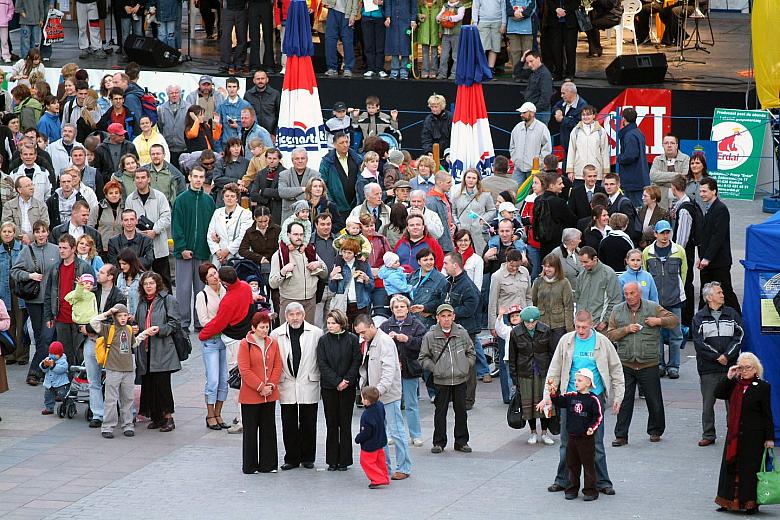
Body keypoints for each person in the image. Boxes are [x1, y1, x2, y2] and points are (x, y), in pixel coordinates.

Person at [541, 310, 624, 496]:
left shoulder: (602, 342)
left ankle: (603, 482)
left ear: (592, 325)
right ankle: (563, 480)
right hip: (570, 399)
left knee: (596, 443)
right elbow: (554, 369)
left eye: (584, 327)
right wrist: (547, 396)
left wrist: (618, 397)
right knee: (566, 442)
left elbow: (616, 370)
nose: (580, 331)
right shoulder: (566, 341)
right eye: (577, 326)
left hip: (594, 399)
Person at [606, 282, 677, 447]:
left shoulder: (652, 307)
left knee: (654, 400)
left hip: (648, 362)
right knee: (624, 400)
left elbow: (674, 320)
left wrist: (658, 321)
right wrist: (626, 330)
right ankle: (621, 435)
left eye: (632, 293)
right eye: (626, 294)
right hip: (626, 362)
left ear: (640, 293)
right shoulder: (617, 310)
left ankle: (655, 431)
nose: (629, 297)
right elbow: (609, 334)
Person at [713, 353, 774, 514]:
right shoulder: (734, 384)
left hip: (754, 435)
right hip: (733, 435)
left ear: (755, 369)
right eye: (742, 367)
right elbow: (718, 393)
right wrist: (728, 376)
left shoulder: (763, 387)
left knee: (749, 470)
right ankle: (726, 501)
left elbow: (767, 414)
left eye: (749, 367)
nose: (745, 370)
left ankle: (750, 504)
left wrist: (769, 438)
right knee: (730, 467)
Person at [353, 314, 411, 480]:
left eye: (363, 332)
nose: (361, 336)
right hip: (376, 395)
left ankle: (404, 467)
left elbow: (389, 370)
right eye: (359, 333)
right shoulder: (369, 342)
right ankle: (385, 467)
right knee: (380, 434)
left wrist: (376, 392)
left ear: (372, 326)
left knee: (396, 431)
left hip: (386, 395)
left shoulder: (384, 342)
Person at [271, 302, 323, 470]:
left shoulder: (316, 333)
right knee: (289, 422)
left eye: (298, 314)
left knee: (309, 422)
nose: (295, 318)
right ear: (286, 317)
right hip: (286, 382)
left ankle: (308, 457)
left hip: (309, 381)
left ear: (303, 315)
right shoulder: (276, 334)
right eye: (291, 315)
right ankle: (291, 458)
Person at [419, 303, 475, 453]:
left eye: (449, 316)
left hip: (460, 379)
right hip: (441, 380)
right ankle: (439, 442)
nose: (446, 319)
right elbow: (423, 358)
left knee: (461, 412)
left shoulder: (462, 333)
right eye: (443, 316)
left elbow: (471, 352)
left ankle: (461, 441)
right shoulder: (430, 336)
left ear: (453, 317)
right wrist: (435, 369)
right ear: (437, 318)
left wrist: (465, 365)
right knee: (440, 412)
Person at [692, 282, 743, 447]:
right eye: (719, 292)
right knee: (708, 404)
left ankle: (733, 434)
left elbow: (739, 336)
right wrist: (716, 357)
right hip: (709, 369)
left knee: (733, 404)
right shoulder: (699, 317)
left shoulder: (732, 314)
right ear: (709, 297)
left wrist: (727, 356)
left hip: (730, 367)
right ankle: (708, 434)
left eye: (722, 292)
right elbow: (699, 343)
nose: (722, 295)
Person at [90, 304, 151, 439]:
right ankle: (107, 427)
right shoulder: (108, 329)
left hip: (128, 369)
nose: (123, 318)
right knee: (111, 400)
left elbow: (133, 344)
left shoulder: (129, 329)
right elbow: (93, 322)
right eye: (119, 316)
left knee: (128, 399)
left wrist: (144, 334)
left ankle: (128, 424)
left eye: (125, 315)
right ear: (114, 317)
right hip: (113, 369)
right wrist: (107, 313)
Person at [11, 220, 58, 384]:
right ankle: (45, 371)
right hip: (34, 301)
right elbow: (15, 272)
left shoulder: (56, 250)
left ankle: (34, 372)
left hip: (51, 301)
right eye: (37, 232)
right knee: (39, 337)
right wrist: (29, 276)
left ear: (48, 232)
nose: (41, 235)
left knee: (47, 337)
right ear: (34, 233)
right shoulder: (26, 251)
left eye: (43, 231)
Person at [546, 368, 603, 501]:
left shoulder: (593, 399)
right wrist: (553, 394)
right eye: (575, 380)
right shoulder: (571, 396)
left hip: (586, 439)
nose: (576, 382)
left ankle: (590, 490)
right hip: (572, 437)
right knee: (572, 464)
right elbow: (560, 402)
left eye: (579, 380)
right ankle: (572, 488)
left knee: (588, 465)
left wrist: (592, 428)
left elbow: (598, 417)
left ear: (588, 383)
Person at [134, 271, 180, 433]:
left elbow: (175, 323)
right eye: (146, 284)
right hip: (145, 349)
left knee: (162, 385)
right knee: (149, 384)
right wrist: (136, 328)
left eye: (151, 283)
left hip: (162, 349)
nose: (148, 287)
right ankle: (156, 417)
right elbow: (139, 321)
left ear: (157, 284)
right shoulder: (142, 302)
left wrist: (160, 329)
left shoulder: (168, 300)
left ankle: (168, 417)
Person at [172, 167, 216, 332]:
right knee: (183, 289)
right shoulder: (181, 200)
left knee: (202, 288)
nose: (198, 180)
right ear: (189, 178)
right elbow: (176, 226)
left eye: (201, 177)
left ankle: (200, 321)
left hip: (203, 251)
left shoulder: (208, 200)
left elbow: (213, 224)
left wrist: (214, 238)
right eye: (195, 176)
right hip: (184, 253)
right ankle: (183, 322)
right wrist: (182, 247)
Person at [317, 308, 361, 471]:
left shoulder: (352, 339)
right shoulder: (323, 341)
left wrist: (347, 380)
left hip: (347, 388)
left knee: (345, 423)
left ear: (341, 323)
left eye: (333, 323)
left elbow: (356, 361)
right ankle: (332, 460)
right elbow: (322, 364)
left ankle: (344, 460)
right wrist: (336, 381)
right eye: (328, 323)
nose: (330, 326)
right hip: (329, 387)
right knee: (332, 423)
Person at [238, 312, 282, 474]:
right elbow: (245, 369)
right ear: (253, 328)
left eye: (267, 327)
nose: (265, 330)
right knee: (250, 431)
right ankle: (250, 465)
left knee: (268, 429)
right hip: (251, 395)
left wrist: (270, 384)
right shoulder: (245, 344)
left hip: (269, 394)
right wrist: (260, 386)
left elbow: (278, 366)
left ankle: (268, 464)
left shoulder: (273, 343)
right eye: (262, 327)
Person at [642, 220, 687, 379]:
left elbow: (683, 274)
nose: (665, 236)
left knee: (676, 335)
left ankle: (674, 366)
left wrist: (677, 292)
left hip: (674, 299)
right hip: (655, 302)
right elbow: (645, 276)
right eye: (662, 233)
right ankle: (659, 364)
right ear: (655, 234)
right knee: (657, 335)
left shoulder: (679, 250)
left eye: (667, 232)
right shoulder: (647, 252)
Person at [380, 295, 427, 447]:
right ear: (392, 309)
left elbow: (423, 344)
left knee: (411, 402)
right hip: (390, 371)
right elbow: (378, 345)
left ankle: (416, 435)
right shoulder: (385, 326)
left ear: (407, 308)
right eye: (396, 307)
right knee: (391, 402)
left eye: (402, 306)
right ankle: (391, 434)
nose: (399, 309)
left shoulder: (417, 325)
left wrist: (407, 339)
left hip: (410, 368)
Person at [44, 234, 95, 366]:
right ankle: (66, 381)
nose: (61, 251)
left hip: (80, 317)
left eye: (65, 248)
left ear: (73, 249)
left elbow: (94, 292)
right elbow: (49, 293)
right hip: (60, 316)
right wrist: (49, 316)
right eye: (60, 247)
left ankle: (79, 382)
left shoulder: (84, 267)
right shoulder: (55, 268)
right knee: (64, 353)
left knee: (80, 352)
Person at [508, 305, 556, 444]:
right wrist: (514, 378)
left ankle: (545, 432)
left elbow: (552, 353)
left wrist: (553, 374)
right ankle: (533, 432)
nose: (530, 325)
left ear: (537, 320)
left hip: (543, 370)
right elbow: (512, 357)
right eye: (527, 322)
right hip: (524, 371)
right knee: (528, 405)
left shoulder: (546, 330)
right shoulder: (515, 333)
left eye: (533, 322)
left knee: (545, 402)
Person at [698, 177, 740, 314]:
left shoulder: (721, 209)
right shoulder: (709, 208)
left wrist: (707, 258)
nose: (701, 194)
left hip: (719, 263)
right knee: (705, 295)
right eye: (700, 191)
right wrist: (702, 257)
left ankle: (738, 322)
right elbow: (706, 237)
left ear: (714, 191)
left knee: (725, 293)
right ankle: (701, 324)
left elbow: (718, 237)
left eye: (704, 191)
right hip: (708, 263)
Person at [125, 168, 172, 288]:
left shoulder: (159, 196)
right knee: (141, 283)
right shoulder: (130, 199)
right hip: (139, 249)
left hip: (159, 247)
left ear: (149, 179)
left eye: (143, 177)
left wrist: (155, 230)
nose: (140, 180)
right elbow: (128, 219)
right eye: (137, 178)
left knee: (163, 282)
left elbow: (166, 216)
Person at [194, 262, 227, 430]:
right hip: (211, 341)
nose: (215, 277)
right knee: (213, 379)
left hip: (226, 340)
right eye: (210, 275)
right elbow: (203, 321)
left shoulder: (225, 290)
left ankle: (219, 412)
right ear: (205, 280)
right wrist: (221, 322)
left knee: (224, 380)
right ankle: (210, 413)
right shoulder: (202, 296)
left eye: (215, 273)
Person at [669, 174, 700, 329]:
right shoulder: (685, 205)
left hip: (684, 255)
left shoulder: (685, 209)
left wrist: (675, 253)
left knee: (685, 285)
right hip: (685, 253)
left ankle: (687, 322)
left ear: (674, 188)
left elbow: (682, 238)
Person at [575, 246, 621, 333]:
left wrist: (605, 321)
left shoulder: (608, 274)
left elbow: (615, 300)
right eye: (581, 262)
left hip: (599, 326)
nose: (583, 265)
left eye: (586, 262)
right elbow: (577, 298)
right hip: (582, 326)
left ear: (595, 259)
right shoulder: (582, 275)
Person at [328, 238, 374, 325]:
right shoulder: (338, 264)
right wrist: (332, 277)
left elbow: (371, 287)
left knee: (361, 329)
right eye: (344, 252)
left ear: (355, 253)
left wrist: (366, 279)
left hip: (361, 304)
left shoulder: (363, 264)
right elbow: (333, 289)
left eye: (349, 253)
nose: (346, 255)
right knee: (345, 330)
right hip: (344, 304)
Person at [206, 183, 253, 268]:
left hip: (237, 258)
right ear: (223, 198)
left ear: (237, 198)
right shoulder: (217, 212)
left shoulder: (246, 214)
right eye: (227, 196)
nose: (229, 198)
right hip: (218, 259)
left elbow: (243, 237)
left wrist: (227, 251)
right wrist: (218, 252)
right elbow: (210, 235)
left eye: (232, 196)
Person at [532, 253, 574, 346]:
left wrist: (569, 329)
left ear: (557, 267)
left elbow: (568, 306)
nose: (547, 269)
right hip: (541, 324)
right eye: (545, 266)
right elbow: (533, 302)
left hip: (559, 325)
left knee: (557, 352)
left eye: (550, 266)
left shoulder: (564, 282)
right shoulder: (538, 282)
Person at [534, 170, 577, 260]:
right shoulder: (558, 202)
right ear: (551, 186)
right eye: (560, 183)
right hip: (557, 244)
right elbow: (572, 220)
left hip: (543, 243)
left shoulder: (538, 200)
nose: (563, 186)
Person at [450, 168, 495, 254]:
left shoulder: (485, 194)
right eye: (469, 177)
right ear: (465, 179)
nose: (471, 180)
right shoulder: (457, 194)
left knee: (480, 254)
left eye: (474, 178)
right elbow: (453, 212)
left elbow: (492, 210)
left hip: (479, 231)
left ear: (478, 180)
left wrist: (483, 219)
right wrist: (458, 224)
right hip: (463, 231)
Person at [320, 133, 362, 218]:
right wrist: (331, 202)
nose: (345, 145)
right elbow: (323, 183)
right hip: (337, 208)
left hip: (356, 205)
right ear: (334, 144)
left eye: (347, 142)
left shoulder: (357, 159)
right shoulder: (327, 161)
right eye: (341, 143)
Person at [354, 386, 389, 488]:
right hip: (380, 439)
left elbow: (366, 432)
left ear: (366, 401)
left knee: (366, 462)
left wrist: (358, 438)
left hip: (370, 445)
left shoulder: (367, 415)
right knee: (380, 461)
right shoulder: (380, 406)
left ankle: (379, 478)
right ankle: (384, 476)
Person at [510, 102, 552, 184]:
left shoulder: (542, 128)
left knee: (533, 194)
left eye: (524, 112)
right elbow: (512, 146)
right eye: (521, 112)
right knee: (516, 193)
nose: (521, 114)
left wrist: (539, 164)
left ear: (532, 113)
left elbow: (547, 149)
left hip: (534, 170)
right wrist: (516, 160)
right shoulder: (517, 128)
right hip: (519, 169)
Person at [566, 109, 610, 187]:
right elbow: (571, 151)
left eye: (588, 114)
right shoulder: (575, 131)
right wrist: (570, 170)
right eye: (583, 115)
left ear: (594, 116)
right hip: (579, 172)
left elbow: (604, 152)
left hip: (596, 173)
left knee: (595, 198)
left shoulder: (601, 132)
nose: (586, 117)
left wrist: (605, 171)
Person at [616, 108, 650, 208]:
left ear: (623, 119)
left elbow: (630, 156)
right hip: (638, 178)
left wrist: (619, 158)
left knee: (634, 208)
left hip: (633, 180)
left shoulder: (629, 135)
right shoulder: (638, 132)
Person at [2, 176, 49, 245]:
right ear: (19, 190)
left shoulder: (41, 205)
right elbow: (7, 224)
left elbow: (45, 223)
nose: (31, 188)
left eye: (32, 185)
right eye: (27, 186)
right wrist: (22, 236)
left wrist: (30, 237)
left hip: (36, 242)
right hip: (15, 243)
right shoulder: (9, 205)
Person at [649, 134, 690, 210]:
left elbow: (684, 177)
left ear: (677, 145)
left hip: (679, 201)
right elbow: (653, 176)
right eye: (666, 143)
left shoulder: (686, 158)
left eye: (672, 143)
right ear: (663, 145)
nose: (669, 145)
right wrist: (677, 175)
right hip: (661, 201)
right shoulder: (657, 159)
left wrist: (661, 181)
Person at [157, 85, 191, 171]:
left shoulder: (188, 108)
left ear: (180, 93)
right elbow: (160, 127)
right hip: (169, 149)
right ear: (168, 94)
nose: (174, 95)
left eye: (176, 92)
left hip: (185, 148)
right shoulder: (161, 109)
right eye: (171, 93)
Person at [322, 0, 358, 76]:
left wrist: (353, 15)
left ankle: (348, 68)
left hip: (347, 13)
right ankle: (332, 68)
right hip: (332, 10)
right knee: (330, 39)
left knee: (347, 40)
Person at [603, 173, 641, 244]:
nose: (608, 187)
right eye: (606, 184)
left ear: (618, 185)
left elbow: (630, 228)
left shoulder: (624, 203)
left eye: (612, 184)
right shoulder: (606, 201)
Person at [244, 71, 280, 138]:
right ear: (254, 80)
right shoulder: (248, 94)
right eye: (258, 79)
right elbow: (245, 115)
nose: (260, 81)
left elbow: (279, 115)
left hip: (270, 134)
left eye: (262, 78)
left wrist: (274, 133)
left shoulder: (275, 94)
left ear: (267, 80)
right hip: (253, 133)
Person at [39, 341, 70, 415]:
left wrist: (53, 365)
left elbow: (61, 369)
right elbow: (42, 368)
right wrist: (44, 365)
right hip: (49, 383)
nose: (52, 356)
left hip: (61, 383)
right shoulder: (48, 358)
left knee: (63, 395)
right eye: (51, 353)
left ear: (60, 354)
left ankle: (68, 405)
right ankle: (49, 408)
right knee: (48, 396)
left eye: (55, 354)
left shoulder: (63, 361)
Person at [522, 52, 553, 123]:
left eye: (531, 61)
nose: (529, 64)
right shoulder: (533, 71)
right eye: (527, 62)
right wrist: (521, 60)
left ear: (538, 59)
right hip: (532, 112)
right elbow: (517, 73)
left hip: (539, 114)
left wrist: (533, 110)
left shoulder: (545, 74)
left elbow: (545, 97)